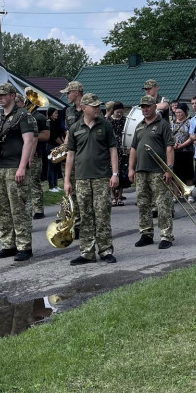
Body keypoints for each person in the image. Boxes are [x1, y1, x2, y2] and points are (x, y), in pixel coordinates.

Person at [65, 93, 119, 265]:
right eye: (94, 106)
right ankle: (87, 252)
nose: (97, 109)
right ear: (83, 108)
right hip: (81, 179)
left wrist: (115, 173)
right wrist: (67, 180)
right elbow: (70, 156)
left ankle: (105, 250)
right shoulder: (75, 128)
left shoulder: (105, 125)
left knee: (102, 214)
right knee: (85, 216)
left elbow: (113, 150)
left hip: (101, 177)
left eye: (98, 106)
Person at [0, 82, 35, 261]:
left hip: (14, 166)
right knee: (1, 208)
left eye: (3, 95)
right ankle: (8, 244)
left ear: (13, 96)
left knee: (18, 208)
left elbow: (28, 142)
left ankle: (24, 246)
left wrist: (22, 167)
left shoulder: (23, 116)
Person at [129, 95, 176, 249]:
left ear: (155, 107)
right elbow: (133, 148)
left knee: (163, 203)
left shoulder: (163, 125)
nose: (145, 109)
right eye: (143, 107)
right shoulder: (139, 126)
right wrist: (131, 168)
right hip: (141, 170)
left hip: (158, 170)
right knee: (143, 203)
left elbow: (170, 147)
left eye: (148, 106)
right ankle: (146, 233)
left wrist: (169, 169)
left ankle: (166, 235)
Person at [60, 81, 84, 236]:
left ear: (76, 92)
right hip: (71, 154)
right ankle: (75, 223)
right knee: (71, 191)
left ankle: (84, 223)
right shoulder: (68, 110)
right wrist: (64, 147)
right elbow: (68, 132)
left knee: (83, 192)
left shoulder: (89, 107)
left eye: (68, 92)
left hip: (84, 155)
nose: (66, 95)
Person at [171, 102, 195, 191]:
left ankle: (189, 194)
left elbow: (191, 137)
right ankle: (175, 195)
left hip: (186, 151)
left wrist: (182, 145)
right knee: (176, 173)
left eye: (180, 112)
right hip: (175, 151)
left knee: (188, 173)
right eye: (176, 112)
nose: (178, 114)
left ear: (185, 112)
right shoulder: (172, 123)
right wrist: (173, 144)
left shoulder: (190, 122)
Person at [110, 102, 128, 205]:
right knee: (111, 172)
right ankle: (113, 196)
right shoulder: (109, 121)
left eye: (121, 112)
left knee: (121, 173)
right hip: (112, 149)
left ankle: (120, 196)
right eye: (118, 112)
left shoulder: (125, 120)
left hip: (122, 150)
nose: (120, 114)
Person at [46, 109, 64, 191]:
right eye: (55, 113)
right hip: (52, 145)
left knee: (57, 165)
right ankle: (51, 186)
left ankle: (56, 185)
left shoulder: (57, 122)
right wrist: (63, 144)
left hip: (58, 146)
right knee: (52, 166)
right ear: (51, 114)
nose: (57, 114)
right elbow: (54, 136)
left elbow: (61, 133)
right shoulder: (50, 123)